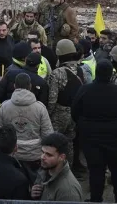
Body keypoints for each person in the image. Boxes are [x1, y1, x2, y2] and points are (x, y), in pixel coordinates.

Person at [71, 60, 117, 203]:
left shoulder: (85, 90)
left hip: (91, 138)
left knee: (96, 171)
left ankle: (96, 199)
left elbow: (75, 112)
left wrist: (84, 125)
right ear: (111, 74)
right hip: (116, 138)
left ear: (96, 73)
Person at [0, 73, 53, 171]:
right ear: (30, 86)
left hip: (11, 155)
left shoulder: (4, 107)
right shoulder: (40, 108)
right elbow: (47, 134)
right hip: (34, 155)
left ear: (14, 86)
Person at [47, 39, 83, 167]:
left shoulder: (57, 73)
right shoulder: (79, 70)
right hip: (73, 113)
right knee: (69, 144)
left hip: (58, 114)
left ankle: (55, 170)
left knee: (54, 144)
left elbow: (52, 99)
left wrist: (48, 114)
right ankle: (69, 169)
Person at [31, 132, 83, 202]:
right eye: (42, 152)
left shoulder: (68, 191)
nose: (42, 157)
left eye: (49, 155)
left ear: (62, 157)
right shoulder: (44, 171)